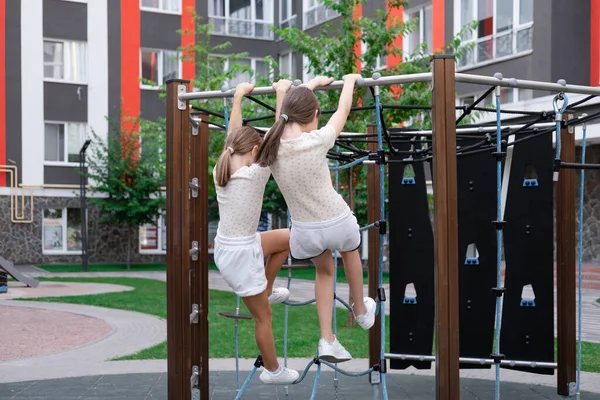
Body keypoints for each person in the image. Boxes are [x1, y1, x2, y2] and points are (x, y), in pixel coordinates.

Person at [255, 75, 377, 363]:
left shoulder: (271, 147)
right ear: (313, 117)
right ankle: (359, 309)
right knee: (350, 250)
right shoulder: (316, 140)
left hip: (305, 233)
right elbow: (342, 112)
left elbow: (281, 122)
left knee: (324, 273)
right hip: (337, 220)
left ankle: (327, 339)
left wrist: (290, 90)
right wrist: (349, 82)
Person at [213, 80, 299, 384]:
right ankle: (274, 371)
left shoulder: (221, 167)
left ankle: (266, 288)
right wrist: (281, 94)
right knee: (263, 318)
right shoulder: (254, 175)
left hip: (236, 245)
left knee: (290, 238)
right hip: (241, 256)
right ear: (252, 151)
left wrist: (238, 97)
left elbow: (233, 135)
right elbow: (279, 137)